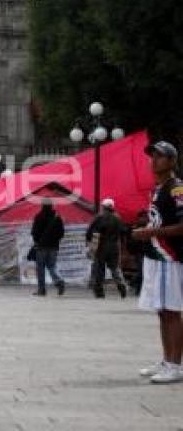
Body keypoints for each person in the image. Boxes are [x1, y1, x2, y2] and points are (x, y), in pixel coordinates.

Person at [132, 141, 183, 384]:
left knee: (172, 311)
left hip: (169, 258)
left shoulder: (176, 189)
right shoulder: (158, 189)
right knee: (162, 311)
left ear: (172, 161)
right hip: (156, 257)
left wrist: (150, 233)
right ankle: (166, 359)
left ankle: (175, 365)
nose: (154, 160)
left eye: (160, 156)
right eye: (153, 156)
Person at [86, 199, 128, 299]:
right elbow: (123, 232)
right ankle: (121, 285)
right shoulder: (118, 218)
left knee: (99, 269)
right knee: (114, 268)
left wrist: (90, 244)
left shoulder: (99, 217)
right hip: (114, 247)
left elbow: (90, 232)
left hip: (101, 247)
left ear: (103, 207)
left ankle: (99, 292)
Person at [30, 200, 66, 296]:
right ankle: (59, 281)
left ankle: (41, 290)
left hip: (41, 247)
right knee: (52, 266)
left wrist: (37, 241)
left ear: (42, 206)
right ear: (52, 206)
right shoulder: (57, 217)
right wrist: (54, 240)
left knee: (40, 269)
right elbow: (61, 233)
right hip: (54, 247)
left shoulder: (38, 216)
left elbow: (34, 232)